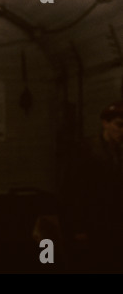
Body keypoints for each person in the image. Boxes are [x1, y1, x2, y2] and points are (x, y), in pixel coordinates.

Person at [61, 100, 123, 273]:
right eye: (119, 125)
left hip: (112, 225)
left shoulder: (117, 152)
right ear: (105, 123)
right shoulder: (87, 150)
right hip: (92, 224)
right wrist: (77, 226)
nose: (122, 131)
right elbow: (73, 190)